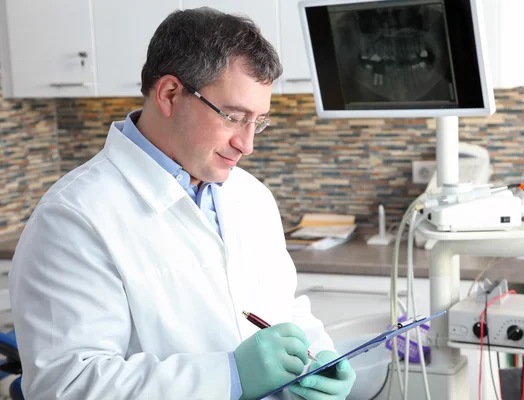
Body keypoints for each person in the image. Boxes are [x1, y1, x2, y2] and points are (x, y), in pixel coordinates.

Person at [9, 7, 356, 400]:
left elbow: (281, 311)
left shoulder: (250, 195)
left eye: (258, 121)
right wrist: (230, 376)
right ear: (170, 94)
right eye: (233, 116)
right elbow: (66, 386)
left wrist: (317, 357)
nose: (247, 144)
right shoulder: (74, 216)